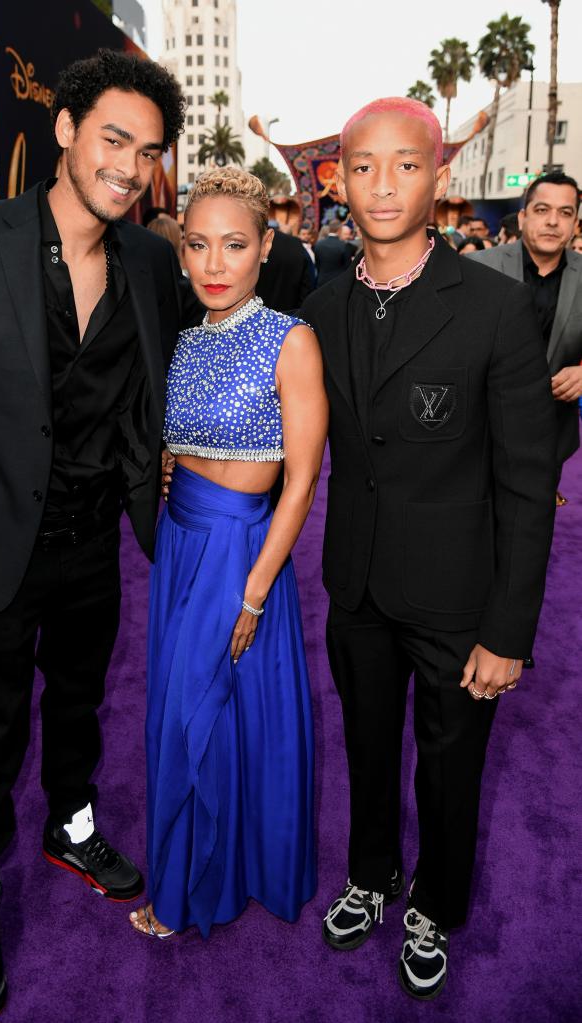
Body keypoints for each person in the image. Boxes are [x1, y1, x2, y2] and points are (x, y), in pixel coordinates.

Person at [0, 50, 198, 1020]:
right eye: (113, 139)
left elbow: (162, 388)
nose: (128, 166)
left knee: (78, 701)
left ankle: (71, 825)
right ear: (65, 130)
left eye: (148, 152)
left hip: (93, 537)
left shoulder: (151, 259)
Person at [301, 97, 556, 1002]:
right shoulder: (322, 306)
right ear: (337, 177)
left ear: (437, 175)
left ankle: (434, 903)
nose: (381, 183)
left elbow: (529, 484)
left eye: (405, 164)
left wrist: (509, 629)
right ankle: (371, 875)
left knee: (452, 767)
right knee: (367, 747)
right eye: (362, 164)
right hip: (357, 586)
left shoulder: (495, 308)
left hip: (459, 601)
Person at [128, 166, 327, 940]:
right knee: (191, 710)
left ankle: (189, 890)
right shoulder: (181, 342)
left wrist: (254, 591)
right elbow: (171, 440)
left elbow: (303, 480)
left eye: (234, 245)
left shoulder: (292, 339)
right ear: (181, 250)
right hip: (180, 545)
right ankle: (206, 872)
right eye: (198, 245)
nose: (214, 264)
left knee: (200, 714)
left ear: (265, 246)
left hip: (242, 549)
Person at [468, 171, 582, 506]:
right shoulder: (477, 268)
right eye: (542, 210)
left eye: (565, 213)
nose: (552, 222)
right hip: (478, 432)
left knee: (530, 537)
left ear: (576, 223)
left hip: (549, 436)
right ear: (523, 217)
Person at [256, 220, 314, 311]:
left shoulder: (252, 241)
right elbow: (307, 284)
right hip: (289, 313)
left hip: (252, 313)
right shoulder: (296, 244)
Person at [314, 219, 357, 285]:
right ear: (339, 230)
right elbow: (348, 267)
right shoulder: (344, 246)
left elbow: (317, 264)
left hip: (321, 281)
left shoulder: (318, 244)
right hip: (338, 282)